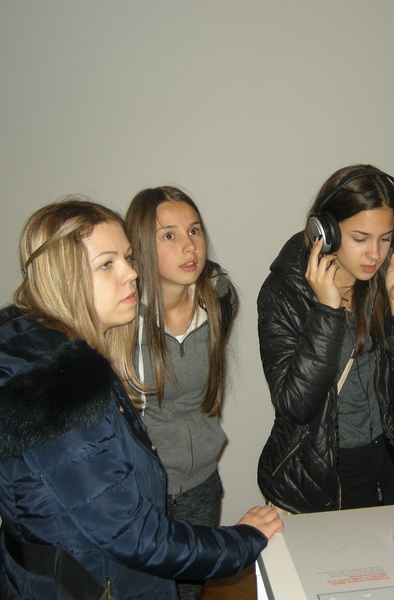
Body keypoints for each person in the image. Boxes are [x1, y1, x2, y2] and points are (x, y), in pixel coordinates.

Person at [0, 199, 282, 599]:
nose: (133, 273)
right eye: (107, 264)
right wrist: (244, 540)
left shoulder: (47, 352)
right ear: (62, 277)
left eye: (127, 258)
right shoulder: (62, 390)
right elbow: (137, 537)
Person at [257, 165, 394, 514]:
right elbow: (295, 406)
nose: (375, 254)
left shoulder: (384, 281)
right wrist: (327, 311)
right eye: (361, 238)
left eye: (385, 238)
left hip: (393, 467)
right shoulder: (284, 292)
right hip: (324, 476)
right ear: (325, 233)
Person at [125, 186, 236, 600]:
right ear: (140, 246)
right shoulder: (121, 318)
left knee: (189, 591)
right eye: (169, 235)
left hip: (201, 484)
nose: (189, 245)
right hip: (141, 490)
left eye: (194, 230)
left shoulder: (218, 301)